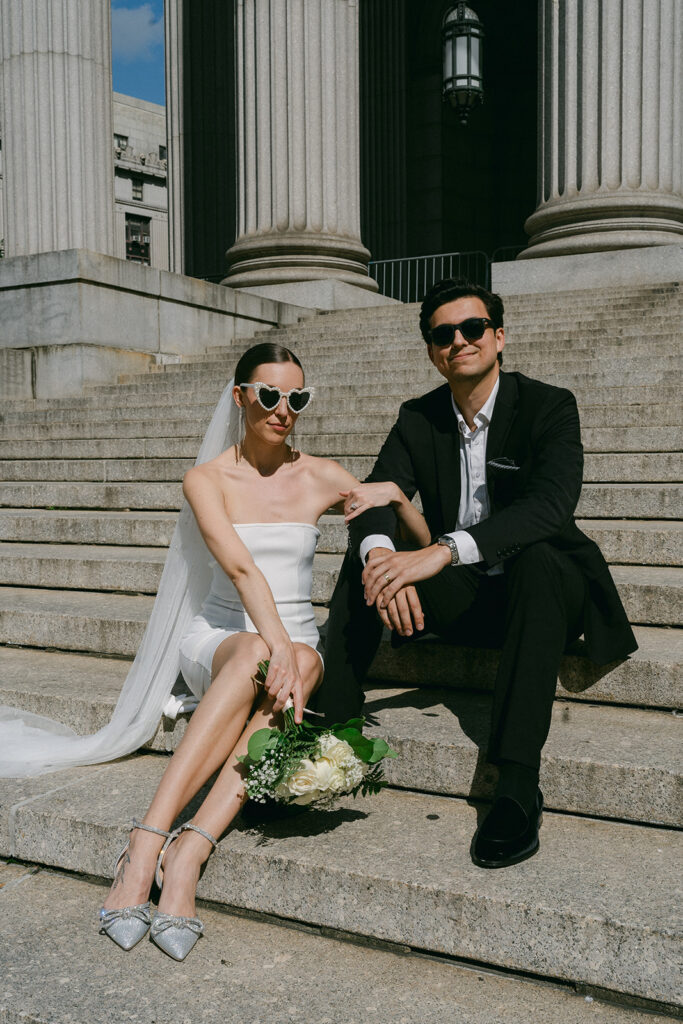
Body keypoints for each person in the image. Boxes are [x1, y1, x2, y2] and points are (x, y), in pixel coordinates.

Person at [97, 341, 427, 961]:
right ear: (240, 396)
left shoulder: (323, 475)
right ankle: (144, 844)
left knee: (298, 661)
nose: (283, 409)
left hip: (298, 639)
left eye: (296, 397)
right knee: (257, 653)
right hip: (221, 637)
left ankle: (190, 850)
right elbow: (243, 571)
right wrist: (274, 645)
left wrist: (400, 499)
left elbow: (420, 538)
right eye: (270, 395)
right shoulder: (207, 479)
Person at [314, 278, 637, 870]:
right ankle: (328, 733)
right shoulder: (419, 419)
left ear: (498, 337)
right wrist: (382, 561)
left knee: (539, 556)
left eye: (472, 328)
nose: (459, 340)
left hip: (545, 600)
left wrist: (441, 550)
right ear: (432, 350)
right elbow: (372, 499)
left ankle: (515, 782)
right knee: (372, 554)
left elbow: (550, 507)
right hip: (470, 603)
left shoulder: (549, 405)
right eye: (444, 333)